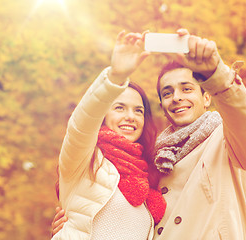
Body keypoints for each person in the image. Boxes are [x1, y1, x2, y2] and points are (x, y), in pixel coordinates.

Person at [52, 28, 246, 240]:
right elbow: (81, 126)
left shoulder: (228, 140)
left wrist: (216, 74)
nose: (177, 97)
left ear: (207, 97)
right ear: (162, 105)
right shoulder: (155, 162)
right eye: (168, 92)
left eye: (187, 89)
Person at [51, 30, 166, 240]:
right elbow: (81, 124)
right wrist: (115, 77)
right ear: (103, 115)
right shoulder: (84, 159)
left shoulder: (148, 175)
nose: (130, 117)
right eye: (119, 108)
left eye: (138, 110)